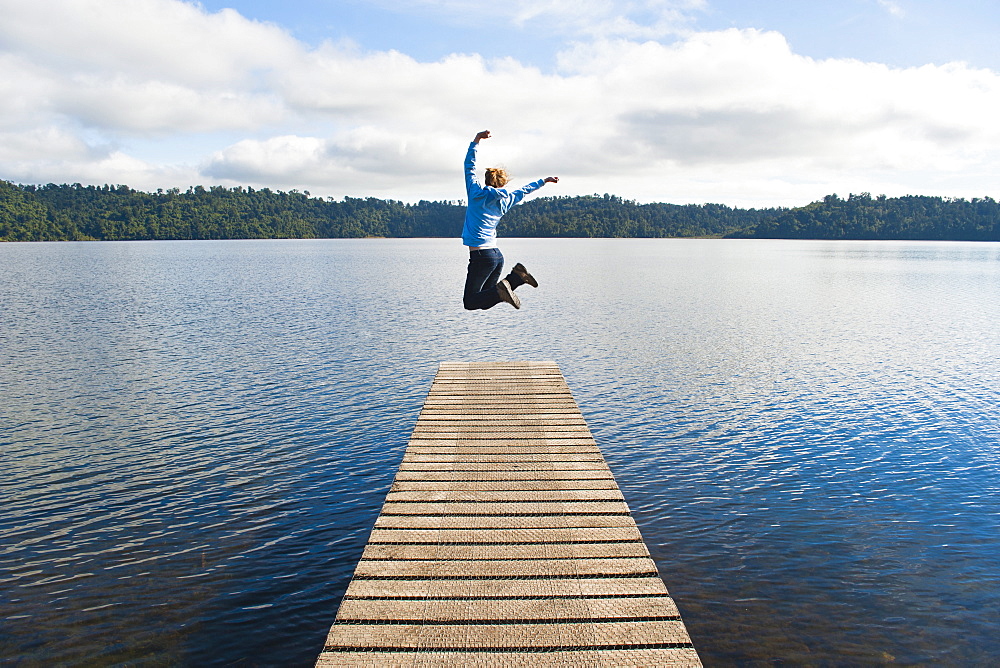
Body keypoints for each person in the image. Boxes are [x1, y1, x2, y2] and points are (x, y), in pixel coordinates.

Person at [461, 130, 559, 310]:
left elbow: (469, 166)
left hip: (481, 256)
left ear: (487, 180)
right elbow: (523, 191)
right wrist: (543, 181)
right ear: (503, 185)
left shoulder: (475, 193)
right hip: (496, 256)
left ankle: (511, 282)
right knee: (486, 299)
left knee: (471, 302)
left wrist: (476, 140)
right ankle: (517, 277)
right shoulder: (505, 200)